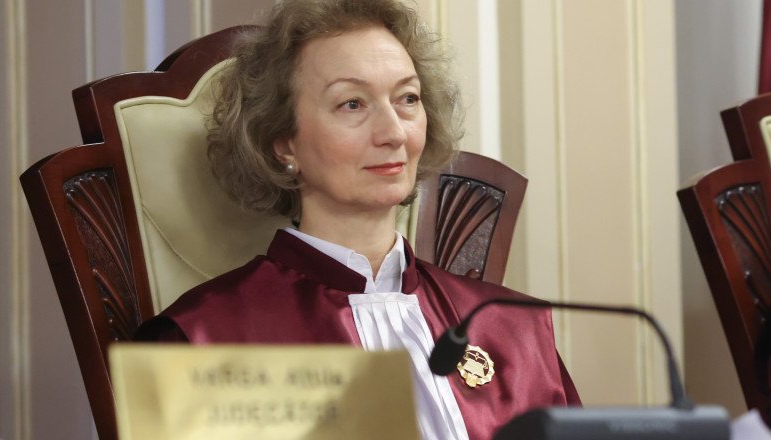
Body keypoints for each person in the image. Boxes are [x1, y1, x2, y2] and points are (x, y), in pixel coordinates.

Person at [136, 0, 580, 438]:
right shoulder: (201, 340)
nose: (394, 133)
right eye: (352, 104)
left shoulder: (512, 326)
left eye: (407, 98)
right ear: (282, 141)